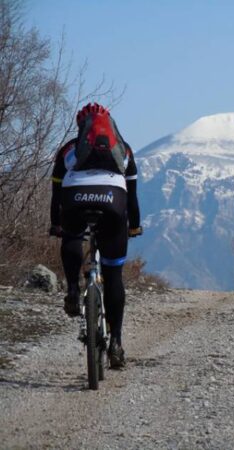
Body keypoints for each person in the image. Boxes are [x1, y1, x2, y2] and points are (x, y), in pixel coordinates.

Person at [49, 102, 142, 369]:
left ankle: (73, 292)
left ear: (82, 128)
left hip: (75, 198)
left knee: (73, 236)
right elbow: (132, 198)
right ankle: (116, 342)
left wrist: (57, 225)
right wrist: (133, 226)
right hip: (113, 201)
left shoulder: (68, 150)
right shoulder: (124, 151)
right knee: (113, 274)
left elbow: (57, 195)